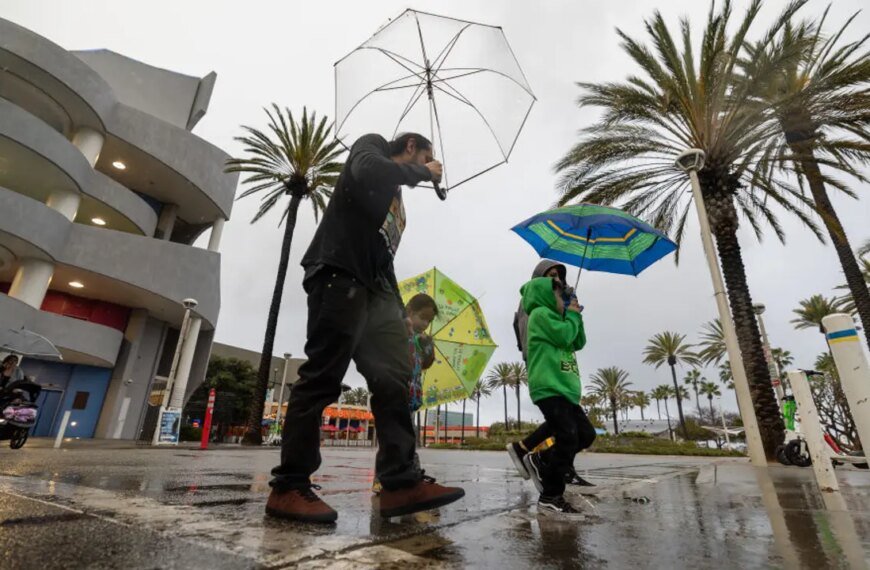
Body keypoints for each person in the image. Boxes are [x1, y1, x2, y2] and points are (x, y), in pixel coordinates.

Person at [267, 133, 464, 524]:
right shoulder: (371, 147)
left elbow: (382, 254)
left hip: (376, 294)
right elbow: (365, 169)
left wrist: (395, 304)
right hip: (338, 277)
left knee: (394, 380)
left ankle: (400, 482)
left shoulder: (396, 197)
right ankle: (289, 485)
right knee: (322, 378)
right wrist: (421, 172)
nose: (430, 162)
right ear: (410, 147)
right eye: (427, 155)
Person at [507, 261, 594, 488]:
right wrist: (568, 318)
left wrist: (573, 313)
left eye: (559, 277)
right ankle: (553, 484)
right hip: (546, 370)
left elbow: (576, 341)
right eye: (551, 276)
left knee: (572, 431)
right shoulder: (535, 308)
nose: (557, 280)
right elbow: (551, 336)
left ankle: (539, 458)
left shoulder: (557, 309)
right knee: (566, 431)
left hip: (561, 376)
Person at [373, 293, 438, 494]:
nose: (425, 323)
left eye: (429, 320)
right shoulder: (399, 330)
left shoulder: (422, 339)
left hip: (411, 395)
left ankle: (403, 476)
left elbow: (426, 364)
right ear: (409, 311)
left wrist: (428, 347)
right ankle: (392, 478)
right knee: (398, 438)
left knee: (405, 437)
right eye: (422, 317)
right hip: (396, 391)